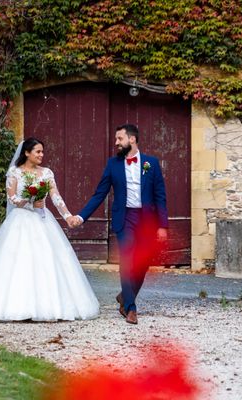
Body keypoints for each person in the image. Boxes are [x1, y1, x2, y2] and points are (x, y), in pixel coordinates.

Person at [0, 137, 99, 322]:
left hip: (42, 220)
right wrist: (27, 200)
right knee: (17, 260)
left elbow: (56, 197)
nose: (41, 155)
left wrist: (68, 216)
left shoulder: (46, 173)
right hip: (20, 219)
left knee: (46, 260)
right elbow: (11, 199)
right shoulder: (14, 172)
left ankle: (48, 306)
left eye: (42, 151)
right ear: (26, 153)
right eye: (37, 151)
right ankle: (15, 305)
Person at [69, 124, 168, 325]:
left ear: (132, 140)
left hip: (147, 220)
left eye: (119, 138)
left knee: (143, 263)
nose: (116, 142)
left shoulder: (152, 163)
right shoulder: (112, 164)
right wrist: (81, 216)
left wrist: (162, 225)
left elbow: (160, 196)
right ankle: (130, 308)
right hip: (125, 219)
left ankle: (124, 295)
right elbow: (99, 194)